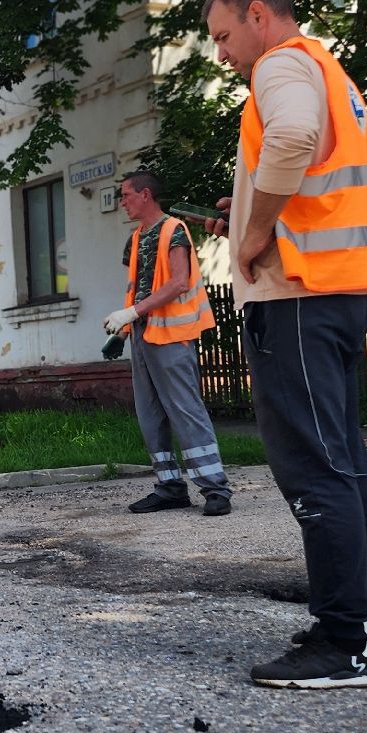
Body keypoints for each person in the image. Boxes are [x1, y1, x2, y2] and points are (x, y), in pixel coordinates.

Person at [202, 0, 367, 689]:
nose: (222, 53)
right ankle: (361, 625)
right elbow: (305, 165)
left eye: (223, 36)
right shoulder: (326, 67)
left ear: (258, 14)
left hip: (297, 297)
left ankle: (339, 642)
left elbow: (290, 140)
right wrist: (249, 202)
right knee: (343, 462)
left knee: (314, 469)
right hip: (338, 290)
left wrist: (251, 237)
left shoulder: (280, 65)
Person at [103, 170, 233, 518]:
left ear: (145, 195)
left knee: (185, 411)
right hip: (144, 336)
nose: (122, 201)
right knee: (151, 415)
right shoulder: (135, 237)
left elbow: (177, 283)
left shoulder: (174, 230)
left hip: (172, 336)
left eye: (126, 195)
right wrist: (123, 329)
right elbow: (139, 286)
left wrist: (131, 312)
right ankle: (170, 487)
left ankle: (215, 488)